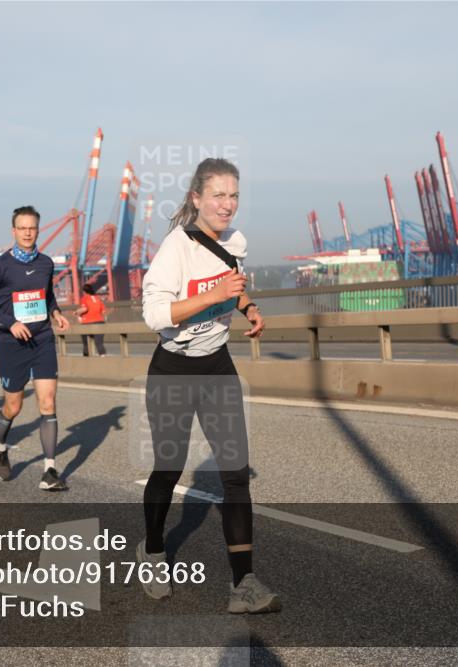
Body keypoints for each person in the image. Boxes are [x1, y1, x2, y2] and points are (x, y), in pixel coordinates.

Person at [138, 158, 279, 613]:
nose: (227, 204)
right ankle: (154, 551)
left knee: (236, 475)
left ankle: (244, 585)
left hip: (217, 365)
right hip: (174, 369)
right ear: (197, 198)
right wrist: (212, 297)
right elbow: (154, 315)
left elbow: (232, 282)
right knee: (169, 466)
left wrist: (248, 305)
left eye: (234, 195)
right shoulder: (175, 248)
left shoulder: (234, 242)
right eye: (218, 195)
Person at [0, 205, 71, 491]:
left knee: (47, 402)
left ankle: (50, 470)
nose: (28, 232)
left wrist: (55, 312)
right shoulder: (1, 266)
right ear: (13, 231)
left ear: (37, 229)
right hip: (11, 344)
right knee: (13, 406)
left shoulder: (45, 263)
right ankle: (1, 446)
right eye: (23, 228)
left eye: (32, 228)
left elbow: (47, 294)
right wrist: (10, 322)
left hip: (42, 339)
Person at [75, 283, 107, 356]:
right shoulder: (98, 299)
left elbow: (85, 309)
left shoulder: (84, 298)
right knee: (99, 342)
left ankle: (86, 359)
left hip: (87, 322)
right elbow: (103, 312)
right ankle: (103, 357)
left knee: (86, 343)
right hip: (100, 322)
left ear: (84, 291)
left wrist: (77, 312)